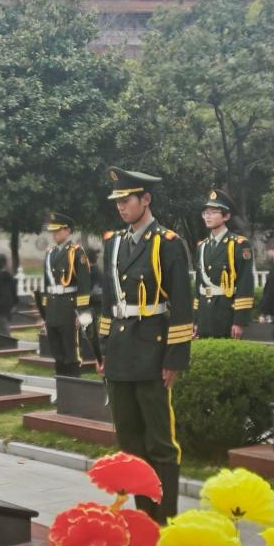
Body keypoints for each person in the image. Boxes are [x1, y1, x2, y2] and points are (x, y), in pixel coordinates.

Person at [98, 167, 192, 525]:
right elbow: (108, 301)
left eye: (127, 200)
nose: (121, 207)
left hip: (153, 350)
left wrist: (175, 358)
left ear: (146, 199)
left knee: (160, 443)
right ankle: (143, 519)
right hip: (121, 351)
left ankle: (165, 520)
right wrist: (103, 349)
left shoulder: (167, 243)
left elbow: (181, 304)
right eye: (117, 201)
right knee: (130, 442)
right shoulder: (114, 243)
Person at [194, 189, 254, 339]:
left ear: (226, 216)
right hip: (205, 314)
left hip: (226, 313)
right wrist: (195, 319)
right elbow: (198, 286)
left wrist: (239, 321)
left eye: (213, 212)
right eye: (205, 212)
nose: (208, 216)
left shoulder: (239, 244)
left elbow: (245, 283)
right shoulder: (202, 246)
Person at [41, 212, 91, 377]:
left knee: (71, 352)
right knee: (57, 352)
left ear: (68, 230)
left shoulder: (76, 252)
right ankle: (62, 386)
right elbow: (46, 285)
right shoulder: (50, 253)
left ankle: (73, 385)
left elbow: (84, 285)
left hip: (69, 308)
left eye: (58, 230)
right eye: (52, 231)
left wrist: (81, 313)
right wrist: (44, 314)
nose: (54, 234)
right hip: (53, 307)